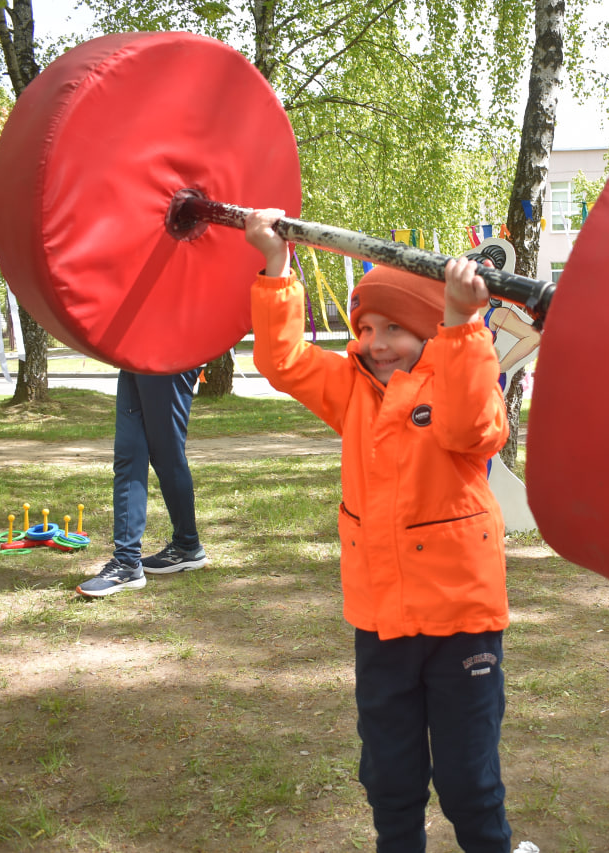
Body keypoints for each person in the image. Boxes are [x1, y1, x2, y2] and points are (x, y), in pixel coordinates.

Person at [245, 208, 522, 853]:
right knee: (390, 776)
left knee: (467, 781)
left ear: (430, 330)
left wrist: (461, 324)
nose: (376, 341)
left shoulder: (453, 382)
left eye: (396, 327)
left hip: (460, 622)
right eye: (366, 326)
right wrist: (274, 264)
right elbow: (283, 360)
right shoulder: (351, 390)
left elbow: (476, 430)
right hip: (382, 619)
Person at [76, 369, 209, 598]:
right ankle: (129, 561)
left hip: (170, 356)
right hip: (134, 356)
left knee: (167, 456)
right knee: (129, 455)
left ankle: (186, 545)